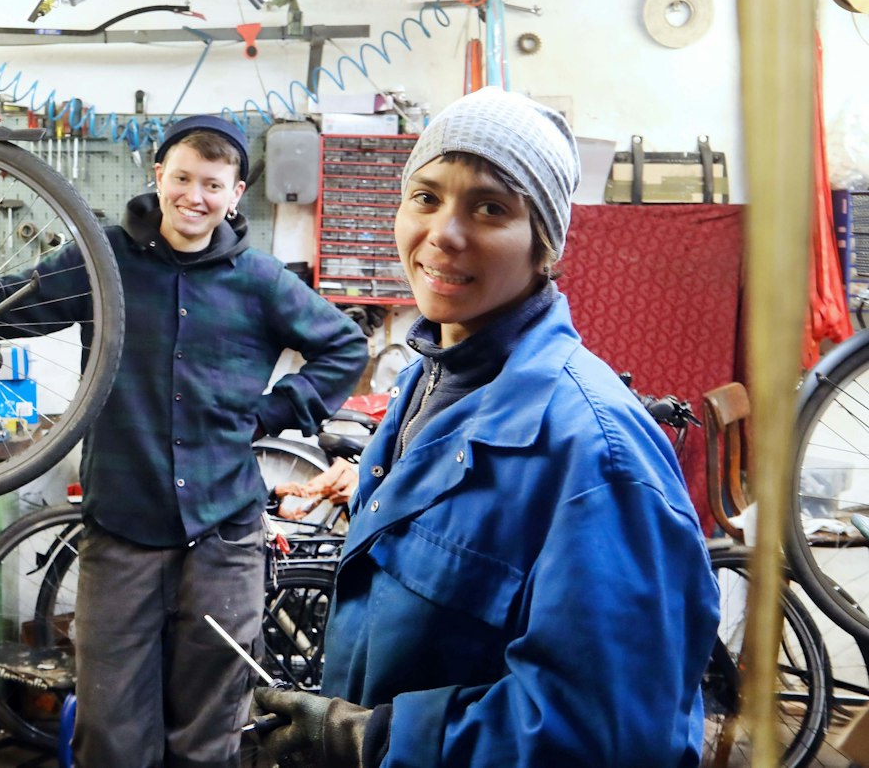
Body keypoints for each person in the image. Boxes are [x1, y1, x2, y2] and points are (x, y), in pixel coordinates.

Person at [0, 115, 365, 768]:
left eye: (212, 184)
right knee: (110, 733)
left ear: (236, 194)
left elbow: (345, 344)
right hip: (121, 532)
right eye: (182, 178)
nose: (193, 197)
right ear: (159, 177)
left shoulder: (259, 280)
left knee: (210, 732)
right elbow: (6, 303)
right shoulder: (103, 258)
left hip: (223, 538)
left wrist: (269, 414)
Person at [256, 88, 719, 768]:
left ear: (546, 247)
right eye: (426, 196)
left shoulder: (596, 455)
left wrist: (368, 741)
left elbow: (611, 737)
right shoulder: (430, 379)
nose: (443, 233)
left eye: (490, 207)